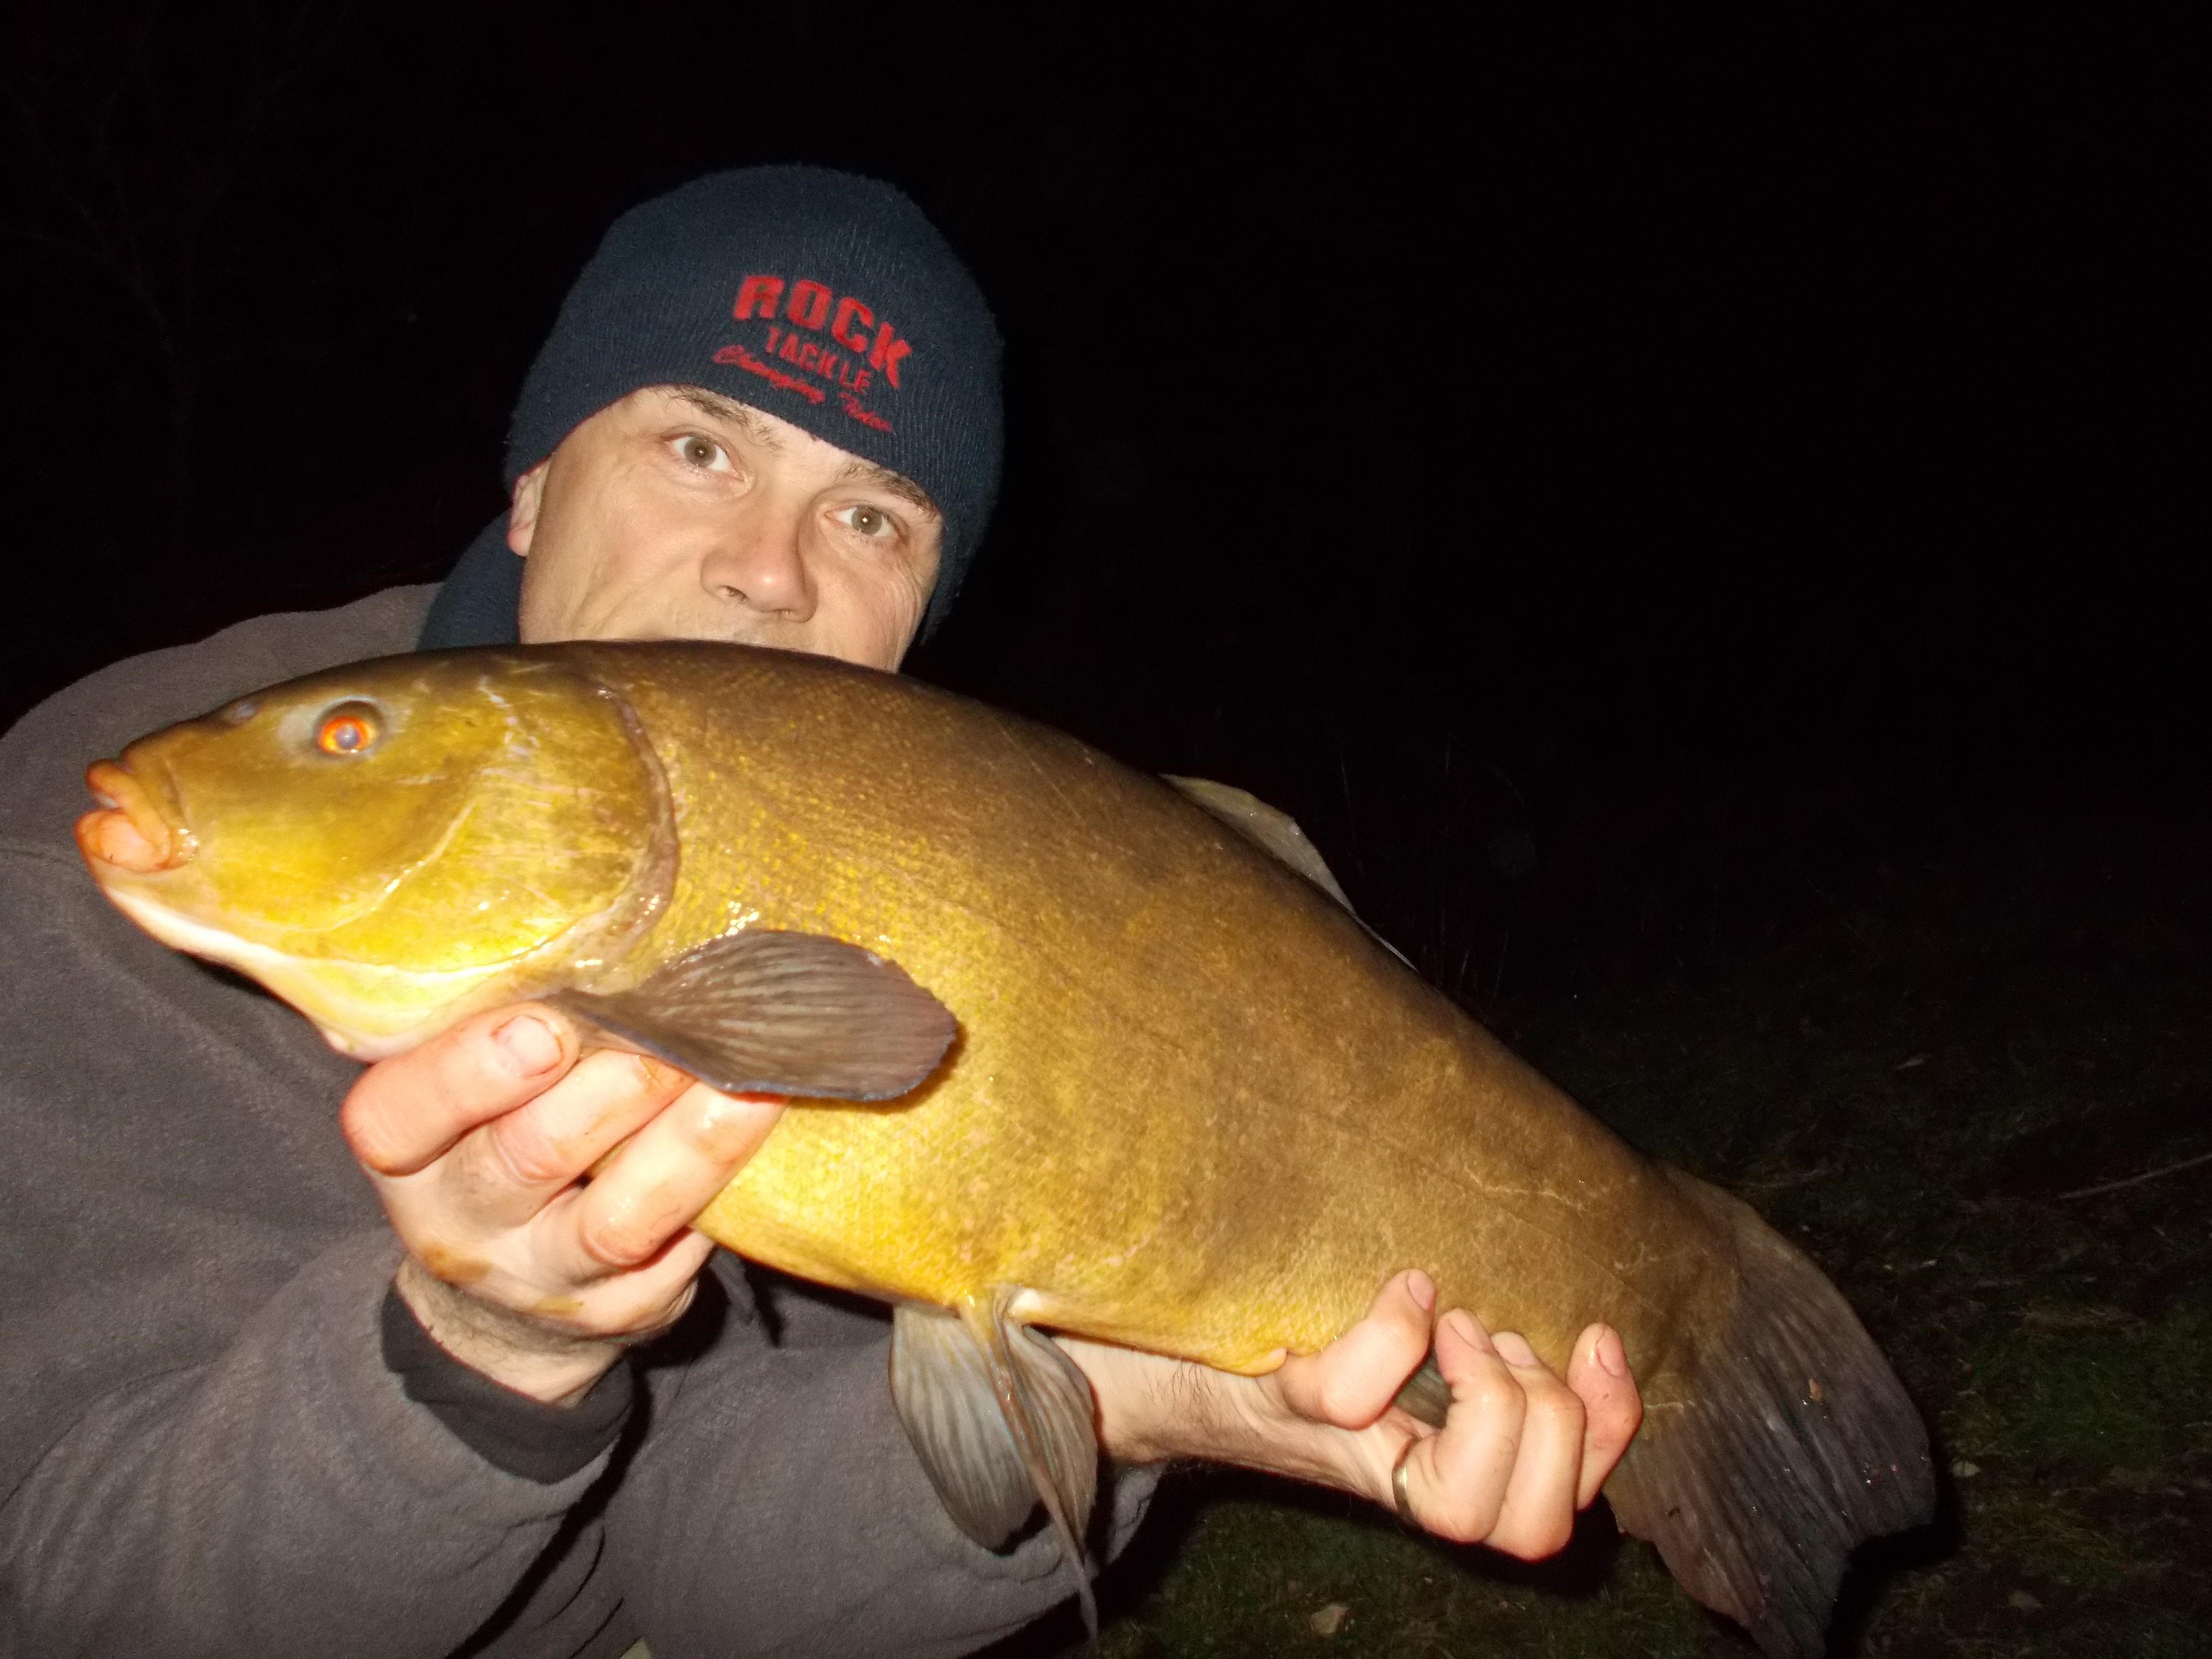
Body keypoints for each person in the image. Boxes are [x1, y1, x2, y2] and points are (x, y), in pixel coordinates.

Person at [0, 168, 1641, 1658]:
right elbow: (76, 1599)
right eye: (701, 445)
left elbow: (709, 1569)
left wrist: (1124, 1391)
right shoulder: (84, 840)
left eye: (871, 515)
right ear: (533, 482)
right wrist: (475, 1342)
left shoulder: (907, 864)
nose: (771, 573)